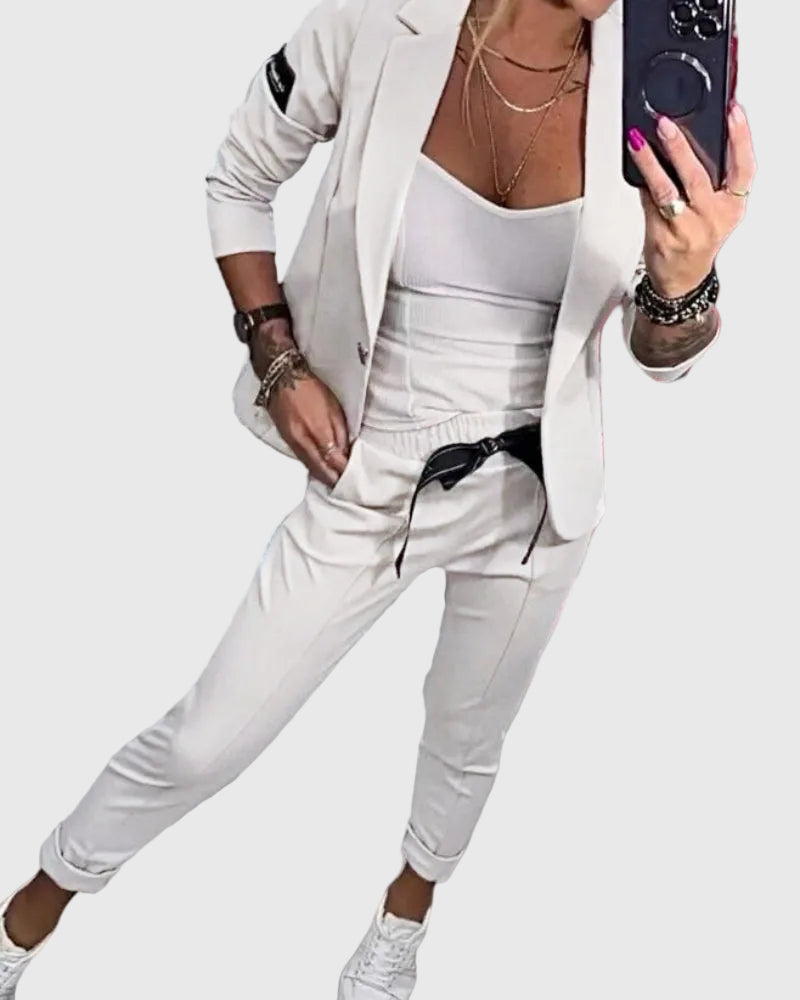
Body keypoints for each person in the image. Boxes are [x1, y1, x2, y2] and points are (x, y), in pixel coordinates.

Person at [0, 0, 755, 995]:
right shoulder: (377, 21)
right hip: (365, 468)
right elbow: (238, 177)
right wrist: (277, 358)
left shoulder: (658, 84)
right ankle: (30, 912)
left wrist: (683, 281)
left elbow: (662, 356)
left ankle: (400, 925)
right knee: (206, 739)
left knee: (464, 739)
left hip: (537, 502)